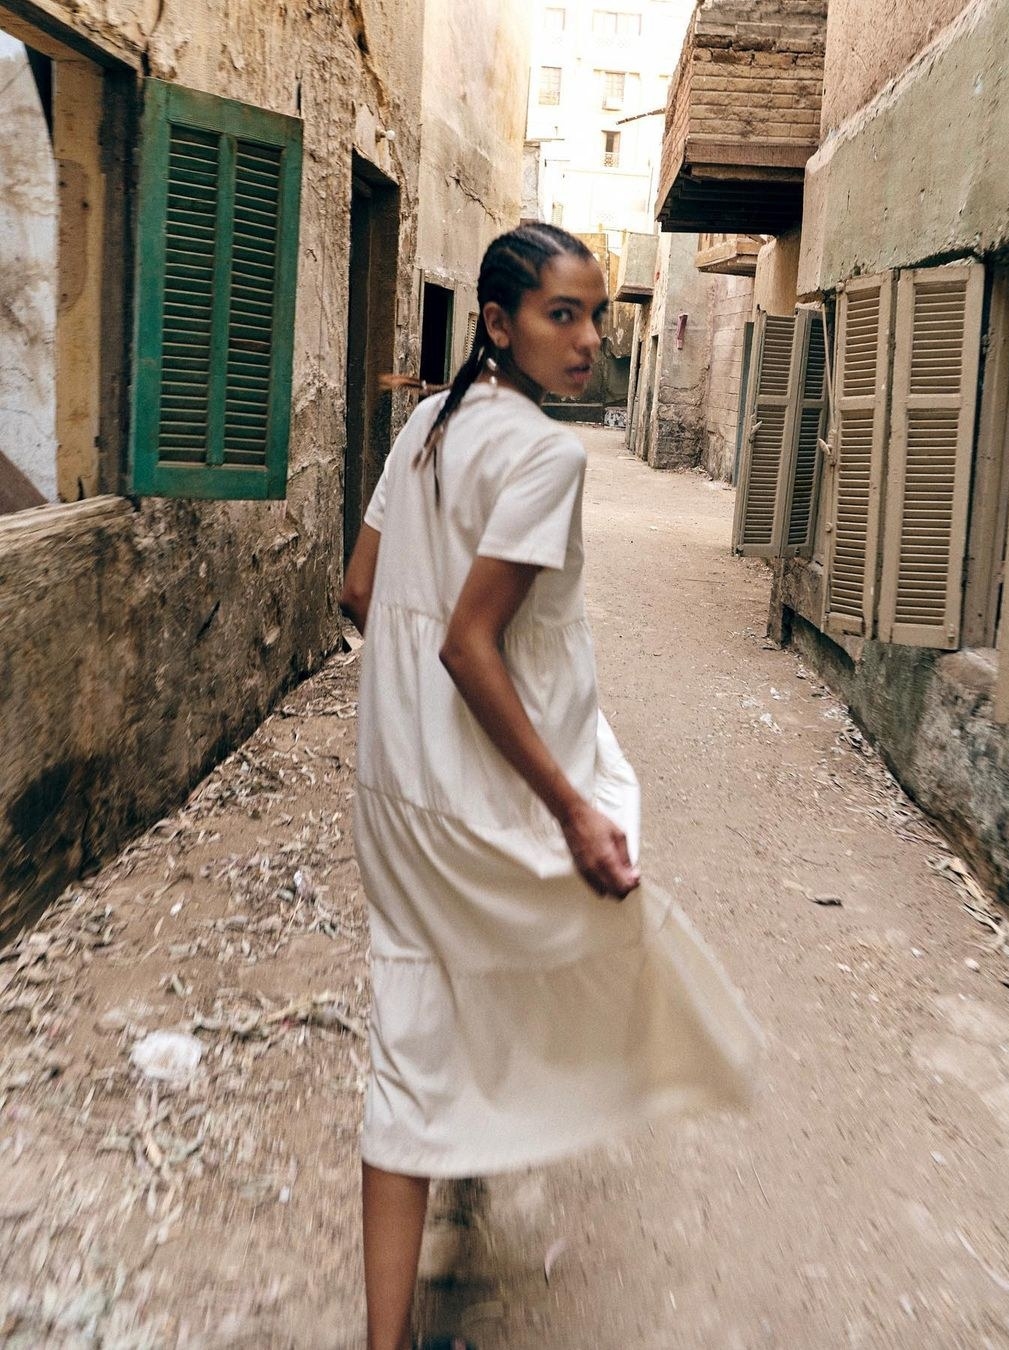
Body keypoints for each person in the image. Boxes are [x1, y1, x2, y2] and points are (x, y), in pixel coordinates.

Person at [340, 223, 761, 1350]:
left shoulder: (427, 424)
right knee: (606, 924)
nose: (586, 341)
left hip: (396, 784)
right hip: (475, 786)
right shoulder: (544, 454)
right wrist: (572, 807)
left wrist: (412, 719)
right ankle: (497, 1125)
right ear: (497, 322)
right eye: (559, 315)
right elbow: (472, 647)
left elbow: (359, 588)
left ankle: (388, 1333)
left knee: (415, 1006)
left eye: (597, 318)